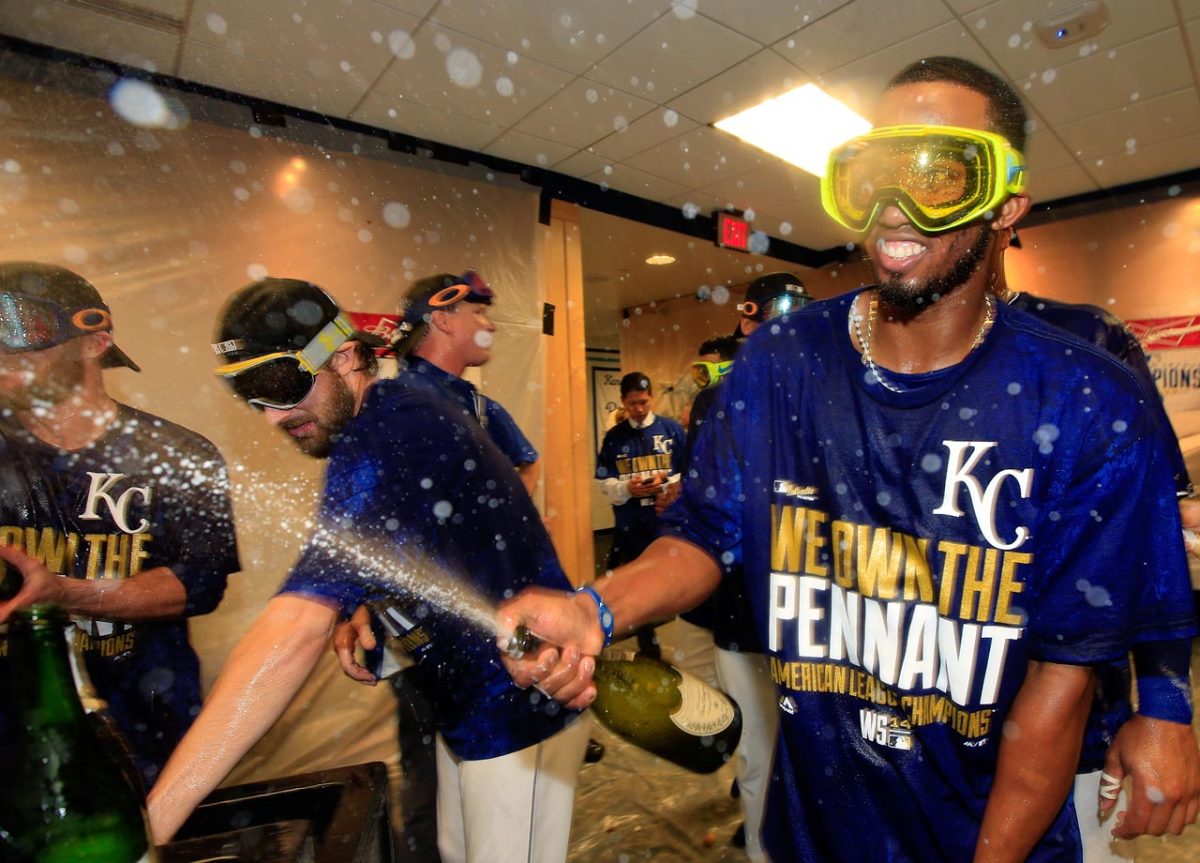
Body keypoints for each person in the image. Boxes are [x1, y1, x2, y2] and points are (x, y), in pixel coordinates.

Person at [498, 56, 1197, 862]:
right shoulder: (781, 362)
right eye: (874, 174)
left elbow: (1060, 682)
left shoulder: (1083, 397)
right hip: (815, 827)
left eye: (938, 174)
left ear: (1006, 203)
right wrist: (598, 607)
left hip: (989, 829)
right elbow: (701, 532)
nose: (894, 207)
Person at [147, 278, 590, 863]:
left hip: (521, 702)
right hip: (474, 701)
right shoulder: (385, 418)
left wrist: (150, 825)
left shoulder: (387, 435)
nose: (272, 417)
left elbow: (289, 636)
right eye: (249, 395)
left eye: (280, 385)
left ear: (347, 354)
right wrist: (367, 605)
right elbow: (428, 543)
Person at [330, 270, 595, 861]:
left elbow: (522, 468)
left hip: (496, 638)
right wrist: (351, 603)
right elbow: (366, 530)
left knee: (486, 818)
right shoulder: (400, 407)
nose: (490, 322)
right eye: (477, 311)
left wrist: (501, 526)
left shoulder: (478, 403)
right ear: (443, 318)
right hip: (444, 645)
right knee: (458, 808)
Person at [987, 262, 1200, 858]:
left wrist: (1164, 706)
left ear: (1007, 210)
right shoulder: (870, 352)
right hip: (910, 720)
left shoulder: (1084, 337)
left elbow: (1152, 522)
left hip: (1063, 706)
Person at [0, 261, 239, 788]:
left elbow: (196, 585)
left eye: (20, 330)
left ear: (93, 339)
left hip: (144, 731)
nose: (4, 352)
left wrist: (66, 593)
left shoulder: (176, 456)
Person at [685, 273, 811, 859]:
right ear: (747, 323)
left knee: (820, 755)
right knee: (760, 754)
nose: (778, 336)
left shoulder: (834, 392)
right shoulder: (721, 400)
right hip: (746, 606)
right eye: (768, 323)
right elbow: (707, 509)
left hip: (817, 612)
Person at [595, 371, 685, 658]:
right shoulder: (613, 438)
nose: (639, 409)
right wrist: (627, 487)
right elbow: (602, 482)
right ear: (622, 401)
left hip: (666, 525)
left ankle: (677, 636)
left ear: (651, 398)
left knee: (673, 585)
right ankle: (649, 646)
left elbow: (690, 474)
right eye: (633, 403)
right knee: (634, 589)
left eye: (644, 402)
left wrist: (667, 484)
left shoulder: (671, 432)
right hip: (630, 527)